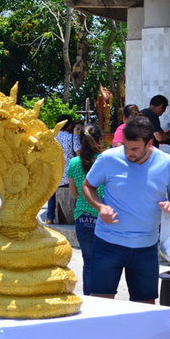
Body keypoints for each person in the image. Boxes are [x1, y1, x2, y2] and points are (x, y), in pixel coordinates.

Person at [81, 116, 170, 303]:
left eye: (134, 149)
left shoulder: (168, 163)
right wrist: (100, 207)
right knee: (101, 304)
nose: (128, 153)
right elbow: (87, 186)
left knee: (145, 307)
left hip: (146, 248)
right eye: (126, 147)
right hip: (107, 244)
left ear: (148, 142)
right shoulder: (108, 158)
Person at [67, 125, 104, 296]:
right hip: (103, 217)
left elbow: (74, 194)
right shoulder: (105, 160)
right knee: (104, 262)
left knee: (88, 262)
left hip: (82, 217)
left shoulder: (74, 163)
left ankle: (89, 297)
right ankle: (104, 296)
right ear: (100, 140)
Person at [46, 115, 81, 225]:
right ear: (69, 126)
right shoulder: (72, 138)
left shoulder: (51, 138)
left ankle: (49, 217)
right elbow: (79, 156)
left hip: (55, 174)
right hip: (70, 176)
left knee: (52, 192)